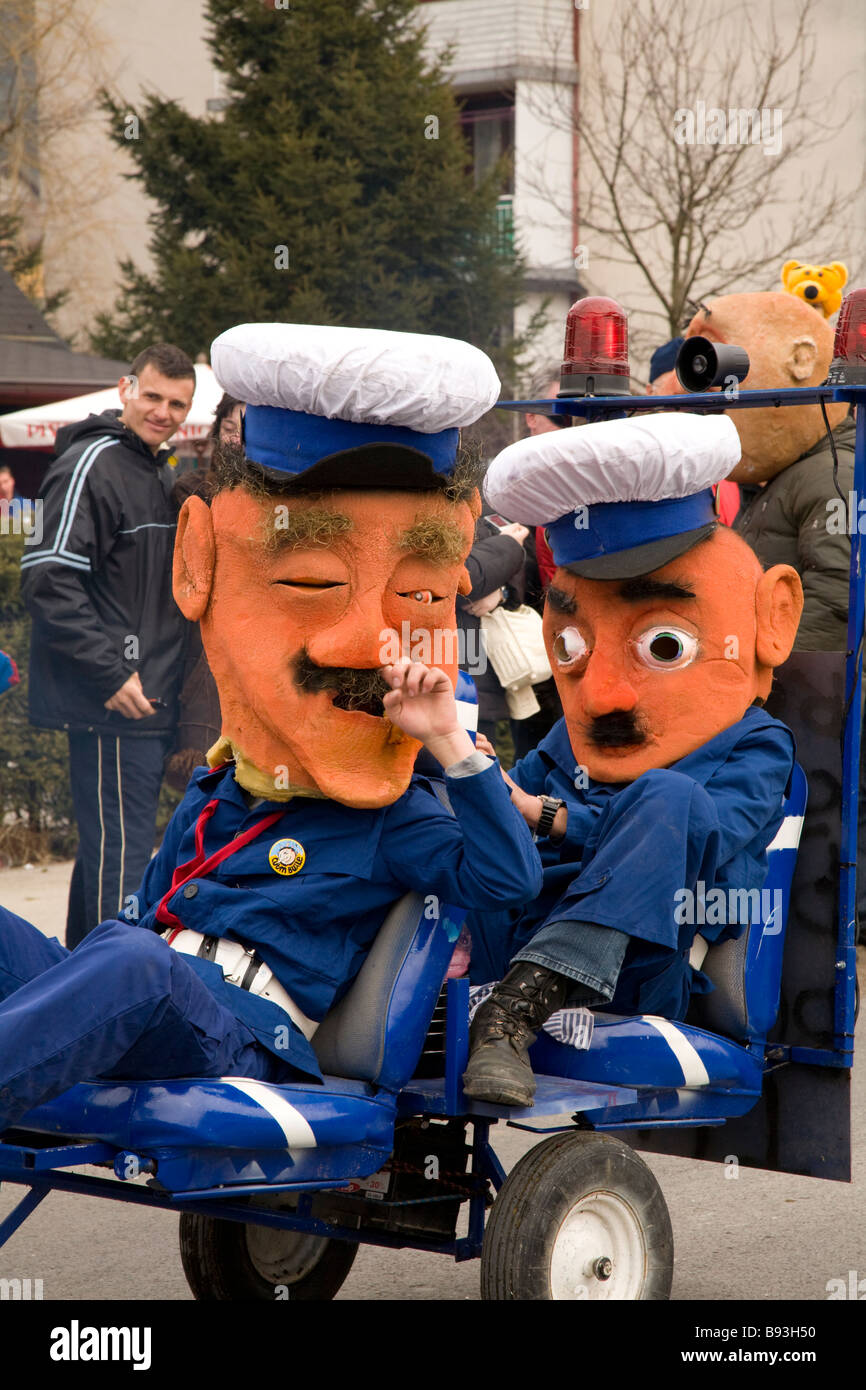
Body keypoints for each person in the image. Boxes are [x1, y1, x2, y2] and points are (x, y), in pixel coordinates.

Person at [0, 323, 541, 1132]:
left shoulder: (398, 821)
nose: (363, 641)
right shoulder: (224, 786)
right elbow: (151, 914)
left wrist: (446, 743)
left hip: (242, 1032)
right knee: (115, 950)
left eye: (423, 597)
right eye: (314, 580)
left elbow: (507, 882)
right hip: (151, 991)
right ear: (201, 566)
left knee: (132, 963)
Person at [462, 411, 803, 1107]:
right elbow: (507, 819)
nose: (605, 695)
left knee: (668, 800)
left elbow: (701, 838)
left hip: (647, 958)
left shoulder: (756, 745)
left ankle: (515, 1010)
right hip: (514, 932)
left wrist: (553, 818)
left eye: (663, 644)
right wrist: (471, 777)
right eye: (574, 649)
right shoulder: (566, 741)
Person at [20, 343, 196, 947]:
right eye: (152, 396)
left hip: (144, 710)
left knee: (108, 865)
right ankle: (107, 1018)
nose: (163, 411)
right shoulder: (90, 462)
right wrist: (111, 676)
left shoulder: (154, 468)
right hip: (112, 708)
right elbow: (47, 576)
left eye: (177, 403)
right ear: (126, 389)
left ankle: (70, 993)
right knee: (120, 873)